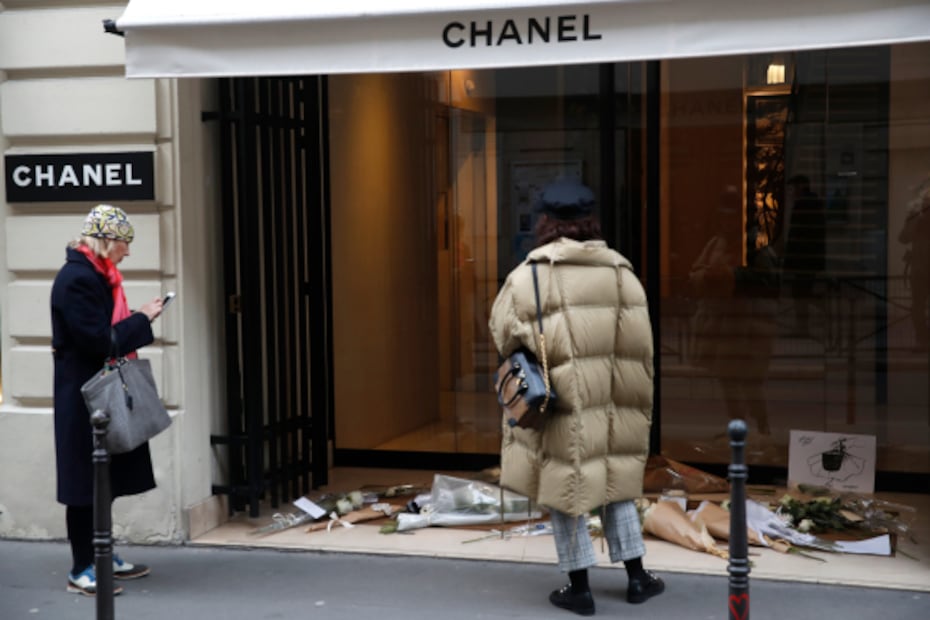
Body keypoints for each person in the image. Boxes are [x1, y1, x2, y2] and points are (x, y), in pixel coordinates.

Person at [489, 179, 664, 616]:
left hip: (561, 400)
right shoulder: (621, 272)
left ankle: (578, 586)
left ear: (545, 223)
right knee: (614, 481)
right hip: (613, 398)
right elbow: (641, 345)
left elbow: (503, 335)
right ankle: (638, 577)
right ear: (590, 223)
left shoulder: (527, 276)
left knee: (565, 483)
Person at [50, 205, 167, 596]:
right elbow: (98, 340)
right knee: (85, 485)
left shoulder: (98, 276)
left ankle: (101, 555)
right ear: (106, 240)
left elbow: (104, 332)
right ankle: (82, 567)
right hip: (84, 398)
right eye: (124, 243)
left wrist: (134, 319)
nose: (127, 253)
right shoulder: (77, 280)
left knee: (104, 479)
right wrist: (142, 320)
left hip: (100, 395)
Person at [688, 187, 778, 435]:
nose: (726, 221)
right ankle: (739, 425)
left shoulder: (755, 244)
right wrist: (706, 277)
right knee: (728, 379)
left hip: (746, 325)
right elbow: (697, 270)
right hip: (724, 324)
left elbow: (767, 280)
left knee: (749, 381)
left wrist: (730, 276)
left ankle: (761, 426)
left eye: (731, 216)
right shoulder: (718, 242)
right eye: (723, 216)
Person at [782, 175, 826, 336]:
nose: (790, 193)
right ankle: (806, 324)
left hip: (803, 259)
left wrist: (789, 261)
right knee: (803, 292)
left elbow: (797, 236)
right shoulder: (815, 204)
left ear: (800, 187)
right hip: (810, 259)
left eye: (792, 188)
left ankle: (803, 327)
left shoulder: (803, 205)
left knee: (800, 293)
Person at [898, 182, 930, 349]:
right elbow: (903, 238)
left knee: (918, 306)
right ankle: (923, 338)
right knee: (918, 306)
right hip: (920, 268)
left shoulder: (916, 216)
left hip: (919, 268)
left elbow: (904, 238)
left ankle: (923, 339)